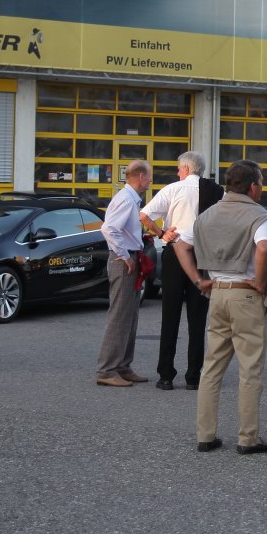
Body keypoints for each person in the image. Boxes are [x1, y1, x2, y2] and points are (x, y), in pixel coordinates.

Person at [174, 160, 267, 454]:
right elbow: (264, 247)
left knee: (212, 368)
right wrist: (260, 282)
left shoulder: (208, 214)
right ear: (253, 186)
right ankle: (248, 438)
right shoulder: (257, 214)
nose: (262, 187)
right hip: (246, 295)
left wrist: (198, 280)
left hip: (217, 293)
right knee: (250, 369)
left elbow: (180, 244)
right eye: (261, 182)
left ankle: (205, 435)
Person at [141, 151, 223, 390]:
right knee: (198, 318)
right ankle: (193, 376)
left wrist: (161, 233)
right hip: (203, 255)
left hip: (175, 252)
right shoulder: (217, 192)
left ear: (186, 168)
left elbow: (144, 215)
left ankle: (166, 375)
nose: (178, 173)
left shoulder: (173, 189)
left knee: (171, 314)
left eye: (179, 168)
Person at [96, 160, 153, 388]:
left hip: (131, 258)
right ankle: (107, 369)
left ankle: (122, 366)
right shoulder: (126, 200)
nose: (151, 180)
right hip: (124, 261)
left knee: (130, 315)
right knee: (120, 315)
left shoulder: (130, 199)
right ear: (140, 176)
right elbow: (109, 228)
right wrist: (124, 255)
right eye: (149, 176)